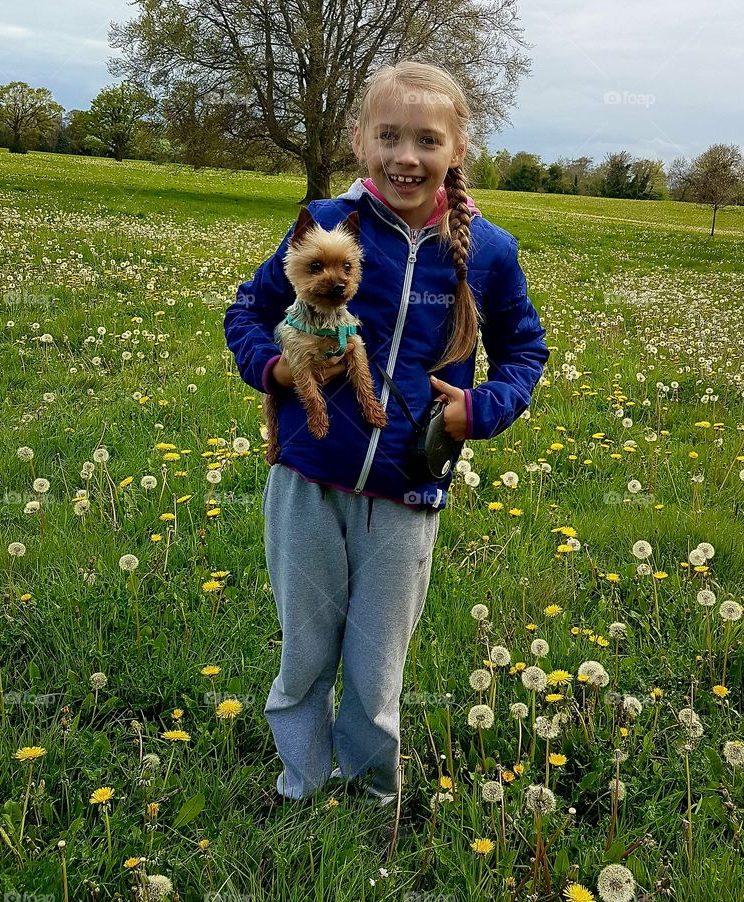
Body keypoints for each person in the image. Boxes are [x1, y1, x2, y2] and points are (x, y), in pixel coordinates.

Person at [223, 59, 549, 806]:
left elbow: (524, 351)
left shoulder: (489, 251)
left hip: (408, 489)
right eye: (390, 136)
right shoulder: (324, 227)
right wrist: (272, 369)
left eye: (428, 140)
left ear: (457, 148)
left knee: (377, 674)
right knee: (304, 655)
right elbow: (246, 311)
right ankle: (301, 788)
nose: (407, 156)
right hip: (307, 479)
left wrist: (481, 409)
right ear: (360, 140)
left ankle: (374, 804)